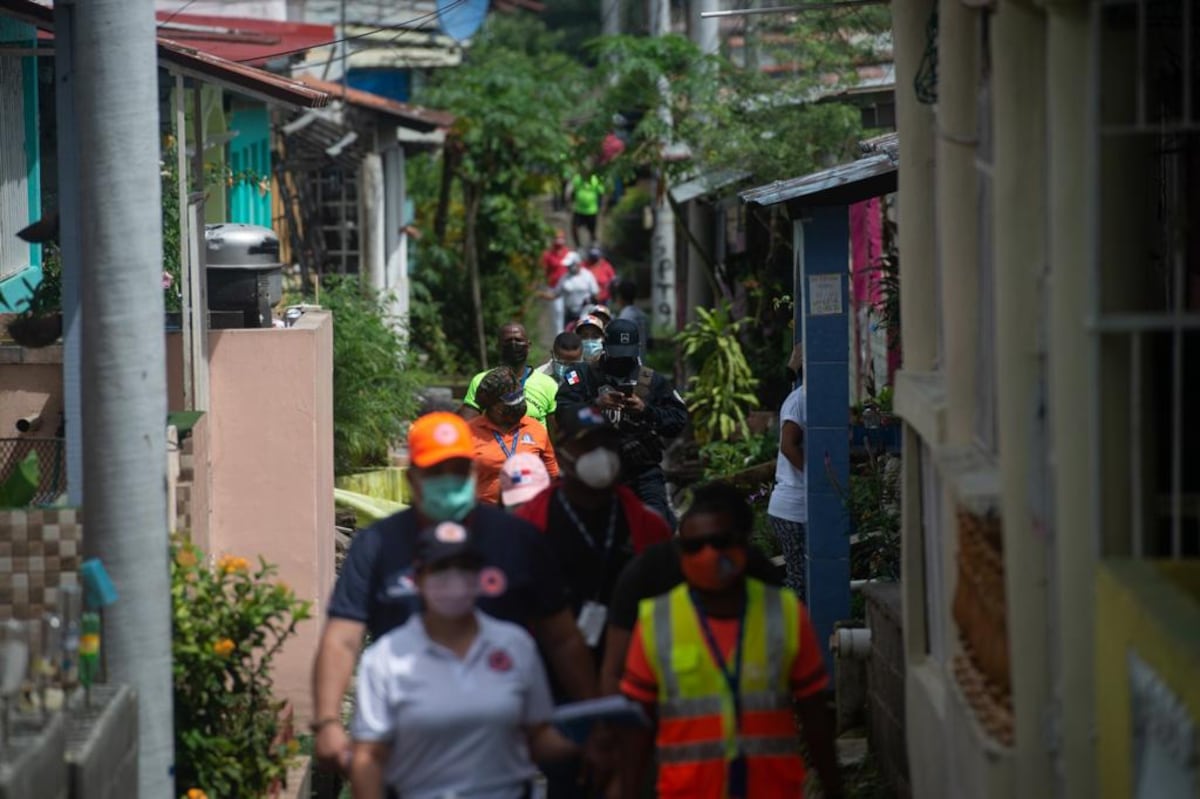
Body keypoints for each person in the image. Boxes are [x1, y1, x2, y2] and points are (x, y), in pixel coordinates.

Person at [312, 412, 597, 776]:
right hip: (410, 749)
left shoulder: (517, 541)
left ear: (474, 473)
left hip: (499, 746)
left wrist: (595, 718)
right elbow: (342, 638)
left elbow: (562, 639)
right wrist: (328, 722)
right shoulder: (377, 545)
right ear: (413, 478)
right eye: (436, 472)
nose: (448, 482)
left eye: (457, 470)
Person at [618, 481, 844, 799]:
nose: (709, 554)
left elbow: (814, 714)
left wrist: (834, 788)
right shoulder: (656, 620)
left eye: (720, 542)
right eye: (695, 546)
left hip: (771, 789)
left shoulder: (784, 614)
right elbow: (637, 729)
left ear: (741, 543)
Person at [350, 521, 578, 799]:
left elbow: (538, 734)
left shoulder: (515, 645)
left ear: (482, 577)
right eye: (441, 568)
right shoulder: (385, 659)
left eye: (464, 567)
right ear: (418, 579)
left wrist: (592, 744)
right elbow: (368, 756)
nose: (454, 578)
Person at [512, 405, 671, 799]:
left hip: (634, 684)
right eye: (588, 445)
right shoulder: (532, 524)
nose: (600, 454)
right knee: (567, 779)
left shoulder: (648, 525)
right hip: (555, 681)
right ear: (563, 451)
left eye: (606, 444)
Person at [557, 319, 688, 526]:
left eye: (626, 355)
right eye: (617, 354)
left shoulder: (650, 380)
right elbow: (563, 413)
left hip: (641, 470)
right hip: (596, 466)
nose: (621, 362)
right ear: (606, 347)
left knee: (657, 523)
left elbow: (678, 419)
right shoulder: (583, 375)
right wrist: (595, 405)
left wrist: (646, 410)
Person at [468, 367, 558, 505]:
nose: (519, 402)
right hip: (487, 511)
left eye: (521, 394)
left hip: (530, 509)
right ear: (494, 406)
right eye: (512, 399)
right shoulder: (470, 432)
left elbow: (552, 471)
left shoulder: (535, 428)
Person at [460, 323, 559, 425]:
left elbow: (555, 433)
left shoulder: (548, 385)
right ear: (499, 347)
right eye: (508, 341)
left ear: (528, 346)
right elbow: (466, 424)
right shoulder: (483, 380)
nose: (513, 344)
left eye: (518, 340)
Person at [767, 374, 807, 597]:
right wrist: (814, 480)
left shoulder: (814, 397)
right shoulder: (798, 400)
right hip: (792, 507)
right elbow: (788, 446)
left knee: (804, 578)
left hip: (801, 505)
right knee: (800, 580)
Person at [541, 252, 599, 323]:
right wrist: (540, 294)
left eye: (570, 265)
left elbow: (596, 294)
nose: (568, 268)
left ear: (577, 263)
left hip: (586, 313)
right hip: (570, 314)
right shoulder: (564, 278)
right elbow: (555, 294)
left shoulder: (588, 275)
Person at [542, 230, 570, 333]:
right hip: (553, 287)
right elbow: (543, 271)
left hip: (567, 288)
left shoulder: (568, 253)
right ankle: (559, 337)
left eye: (561, 238)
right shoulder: (548, 254)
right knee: (557, 313)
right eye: (557, 238)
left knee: (567, 312)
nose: (559, 240)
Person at [613, 279, 648, 359]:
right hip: (641, 359)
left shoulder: (623, 318)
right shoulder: (642, 315)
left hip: (629, 364)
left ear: (620, 296)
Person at [569, 172, 604, 247]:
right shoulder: (577, 179)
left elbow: (601, 193)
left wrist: (600, 206)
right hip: (579, 210)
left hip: (592, 211)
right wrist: (570, 203)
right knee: (574, 229)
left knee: (592, 232)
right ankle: (578, 246)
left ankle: (594, 247)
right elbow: (572, 192)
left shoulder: (596, 179)